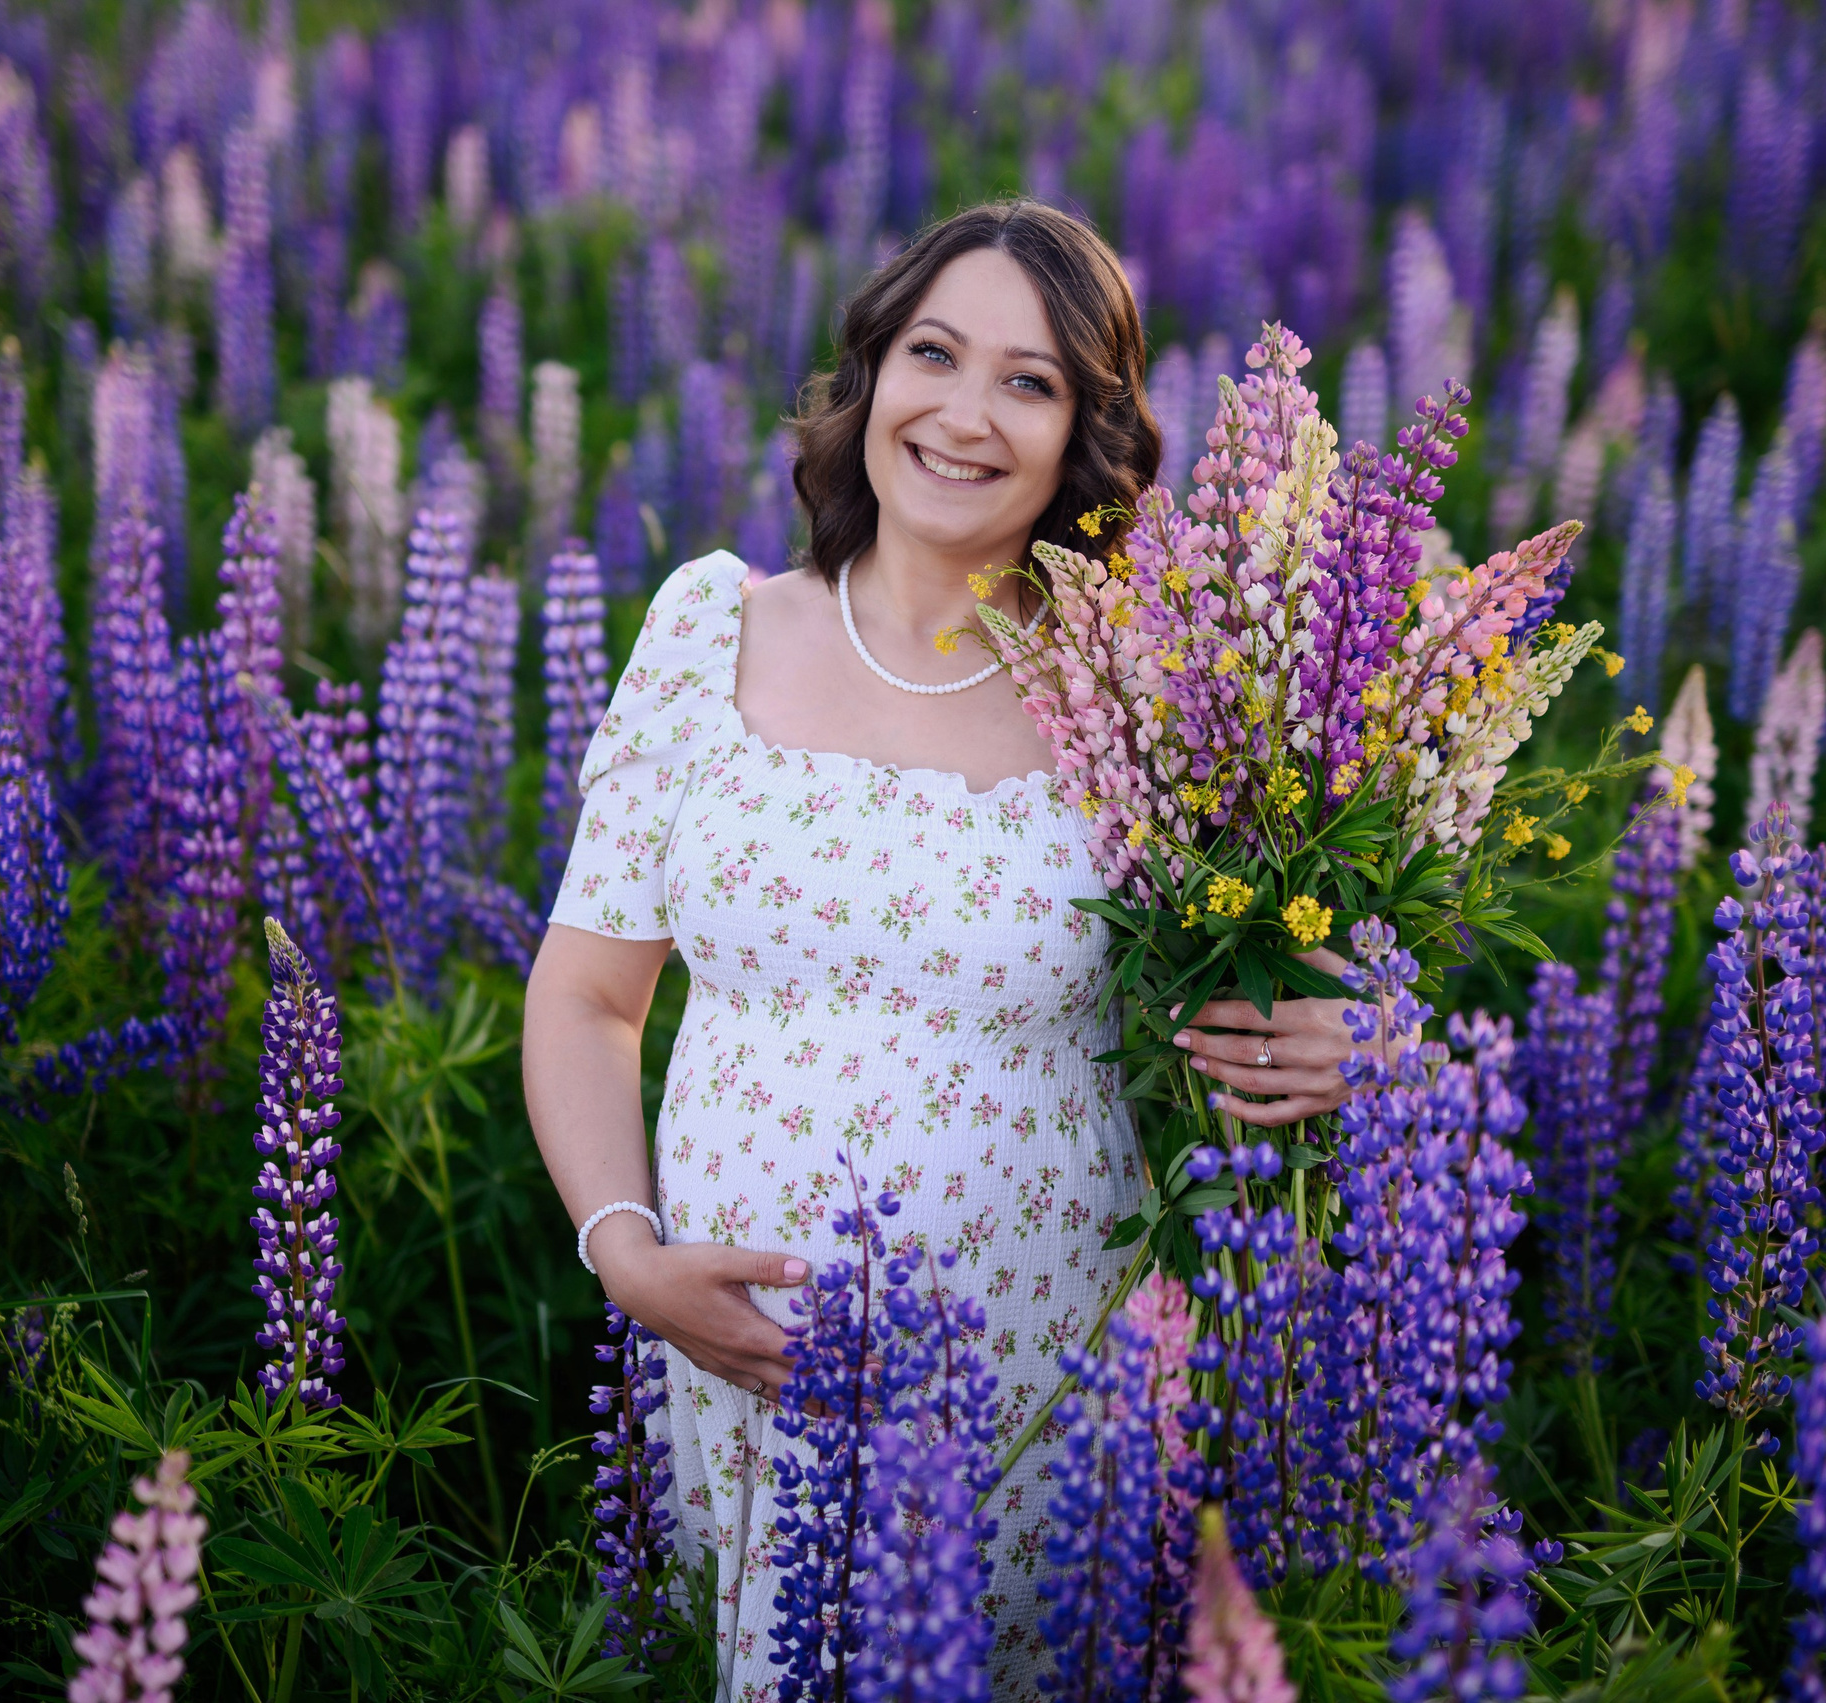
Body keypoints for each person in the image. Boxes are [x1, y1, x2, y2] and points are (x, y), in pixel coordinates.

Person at [524, 198, 1358, 1697]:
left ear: (1081, 439)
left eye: (1028, 383)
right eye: (935, 354)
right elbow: (588, 997)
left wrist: (1344, 1044)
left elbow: (1288, 964)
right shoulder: (711, 628)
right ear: (872, 376)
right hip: (743, 1362)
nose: (965, 415)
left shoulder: (1157, 693)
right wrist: (624, 1254)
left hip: (1044, 1383)